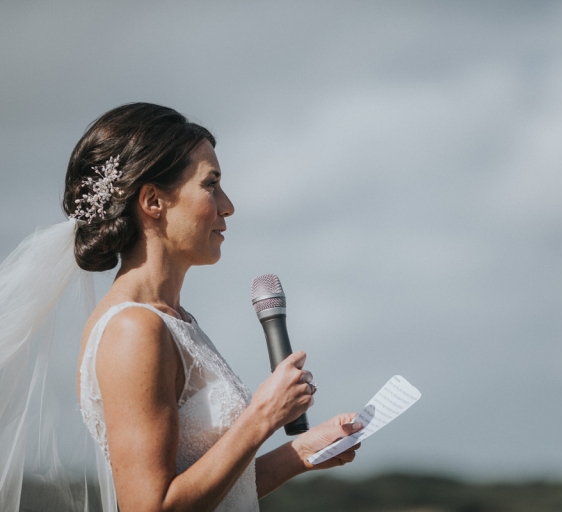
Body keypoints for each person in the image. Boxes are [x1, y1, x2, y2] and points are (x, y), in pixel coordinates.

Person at [0, 103, 361, 512]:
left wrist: (301, 453)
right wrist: (262, 416)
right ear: (154, 201)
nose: (228, 206)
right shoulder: (133, 329)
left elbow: (218, 492)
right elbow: (151, 506)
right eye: (211, 184)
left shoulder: (177, 321)